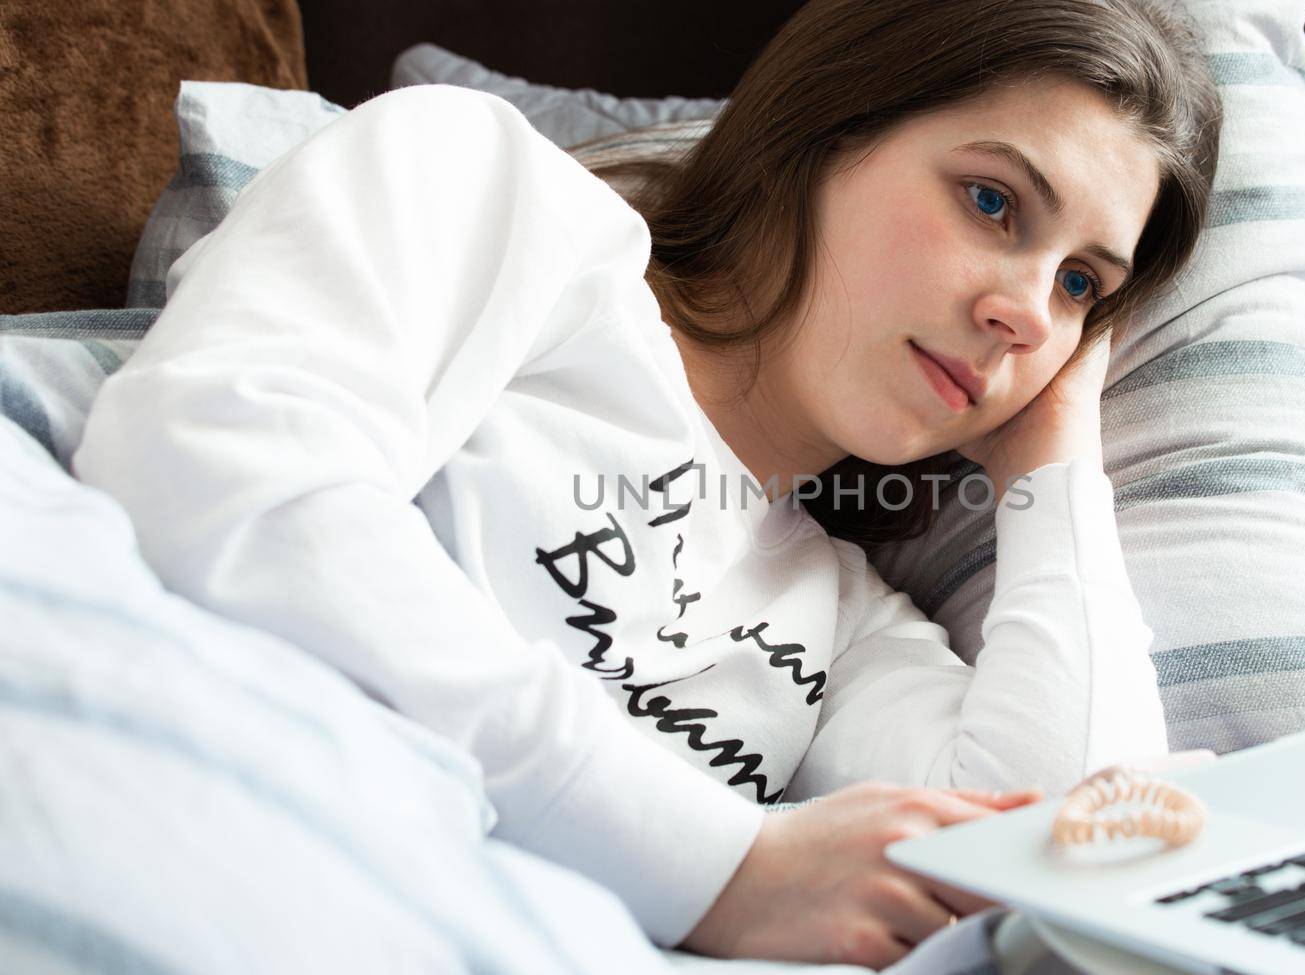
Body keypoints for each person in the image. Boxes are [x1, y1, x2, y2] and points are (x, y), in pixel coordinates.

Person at [74, 0, 1221, 968]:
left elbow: (1069, 862)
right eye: (991, 201)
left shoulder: (841, 618)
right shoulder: (499, 198)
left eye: (1080, 285)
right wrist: (716, 865)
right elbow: (208, 462)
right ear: (826, 131)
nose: (1025, 312)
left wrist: (1057, 465)